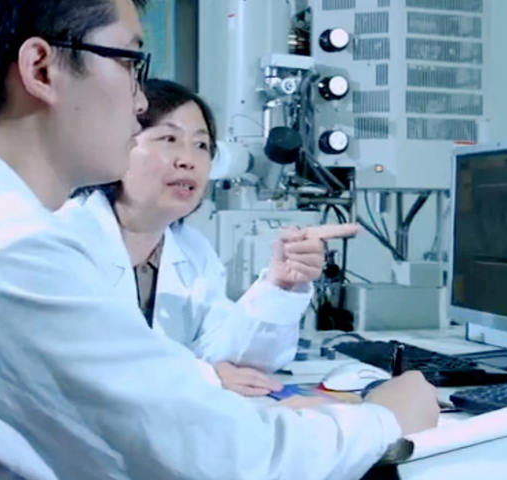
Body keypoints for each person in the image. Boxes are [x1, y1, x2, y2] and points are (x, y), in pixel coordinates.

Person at [0, 1, 439, 479]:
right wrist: (383, 418)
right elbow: (222, 461)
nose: (139, 102)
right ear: (42, 69)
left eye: (201, 145)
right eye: (130, 63)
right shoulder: (14, 254)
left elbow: (197, 378)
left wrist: (278, 291)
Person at [60, 78, 346, 396]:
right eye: (169, 138)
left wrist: (280, 286)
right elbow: (85, 362)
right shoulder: (63, 240)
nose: (188, 160)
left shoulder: (192, 249)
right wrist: (204, 376)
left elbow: (231, 359)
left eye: (201, 145)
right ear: (115, 144)